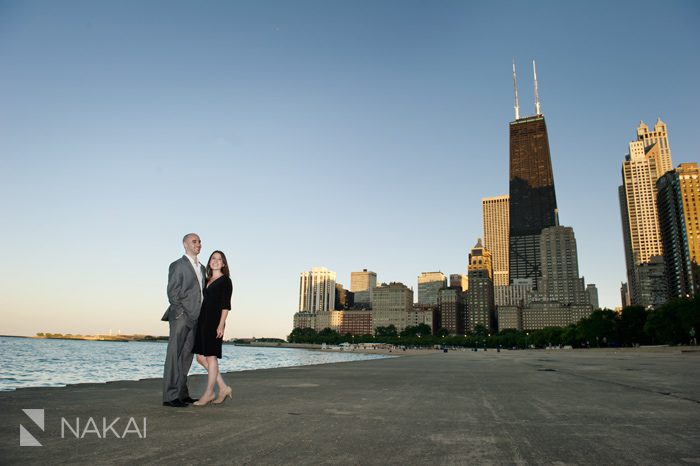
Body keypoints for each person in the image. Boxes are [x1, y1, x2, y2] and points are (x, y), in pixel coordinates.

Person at [161, 233, 206, 408]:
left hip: (196, 318)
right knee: (174, 355)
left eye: (200, 241)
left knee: (186, 357)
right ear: (185, 244)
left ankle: (181, 393)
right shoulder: (177, 265)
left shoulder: (202, 268)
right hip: (181, 317)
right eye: (194, 241)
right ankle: (170, 396)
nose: (198, 244)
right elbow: (172, 292)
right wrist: (180, 313)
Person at [192, 250, 233, 406]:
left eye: (219, 259)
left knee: (211, 357)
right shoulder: (207, 279)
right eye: (213, 258)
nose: (216, 261)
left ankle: (208, 393)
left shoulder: (225, 281)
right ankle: (222, 387)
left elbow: (226, 305)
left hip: (215, 322)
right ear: (210, 262)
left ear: (223, 264)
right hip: (203, 320)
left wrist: (221, 324)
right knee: (200, 358)